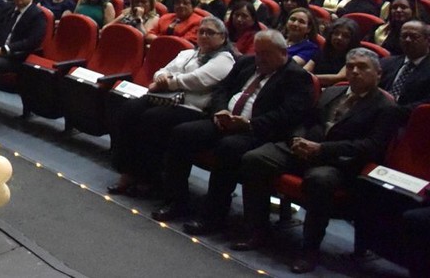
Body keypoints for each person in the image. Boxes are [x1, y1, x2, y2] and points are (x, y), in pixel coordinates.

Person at [235, 48, 400, 273]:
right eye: (350, 67)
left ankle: (309, 250)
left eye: (362, 68)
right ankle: (257, 230)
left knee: (319, 181)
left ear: (378, 74)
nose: (354, 72)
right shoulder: (333, 92)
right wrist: (297, 139)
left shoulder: (385, 106)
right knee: (255, 159)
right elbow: (305, 119)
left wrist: (322, 149)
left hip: (339, 162)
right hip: (305, 149)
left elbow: (370, 146)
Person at [151, 30, 313, 234]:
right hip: (225, 121)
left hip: (258, 132)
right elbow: (222, 90)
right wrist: (221, 110)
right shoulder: (247, 63)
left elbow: (287, 115)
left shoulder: (297, 78)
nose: (260, 58)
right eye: (258, 52)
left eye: (266, 54)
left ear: (283, 53)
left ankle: (213, 217)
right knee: (183, 133)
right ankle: (176, 201)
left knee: (228, 148)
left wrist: (248, 123)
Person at [108, 17, 235, 196]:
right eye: (201, 31)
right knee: (130, 109)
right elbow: (163, 70)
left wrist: (169, 83)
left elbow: (198, 80)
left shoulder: (225, 59)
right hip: (166, 97)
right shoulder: (188, 53)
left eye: (210, 33)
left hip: (193, 108)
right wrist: (162, 78)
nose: (204, 35)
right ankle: (127, 172)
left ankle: (149, 178)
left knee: (152, 118)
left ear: (222, 37)